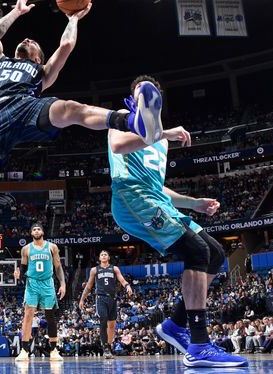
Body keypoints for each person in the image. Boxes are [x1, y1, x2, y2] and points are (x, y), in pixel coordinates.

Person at [0, 0, 164, 307]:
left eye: (33, 43)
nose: (28, 39)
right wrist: (16, 11)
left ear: (38, 58)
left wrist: (73, 17)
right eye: (25, 40)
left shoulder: (39, 72)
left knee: (70, 109)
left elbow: (67, 44)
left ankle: (133, 121)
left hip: (26, 107)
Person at [108, 75, 247, 368]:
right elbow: (119, 145)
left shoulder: (161, 143)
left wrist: (193, 203)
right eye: (140, 94)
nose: (144, 98)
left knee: (215, 254)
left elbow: (160, 189)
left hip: (154, 199)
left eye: (150, 95)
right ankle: (198, 343)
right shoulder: (122, 120)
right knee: (195, 251)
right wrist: (163, 133)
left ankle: (175, 324)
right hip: (132, 199)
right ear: (133, 101)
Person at [13, 223, 66, 362]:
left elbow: (58, 267)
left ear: (43, 231)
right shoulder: (26, 249)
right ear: (31, 233)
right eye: (34, 229)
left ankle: (54, 349)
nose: (36, 231)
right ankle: (24, 350)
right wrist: (19, 275)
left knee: (50, 316)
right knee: (28, 314)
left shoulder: (52, 247)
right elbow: (23, 267)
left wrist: (63, 284)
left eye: (39, 229)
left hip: (47, 283)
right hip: (32, 283)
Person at [78, 249, 134, 358]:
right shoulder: (94, 270)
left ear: (108, 257)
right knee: (103, 321)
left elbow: (122, 280)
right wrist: (82, 299)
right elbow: (89, 286)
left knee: (112, 325)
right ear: (99, 258)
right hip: (101, 298)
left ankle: (108, 345)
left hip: (112, 299)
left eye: (105, 255)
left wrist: (127, 286)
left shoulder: (114, 269)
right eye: (101, 254)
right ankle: (105, 348)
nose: (103, 256)